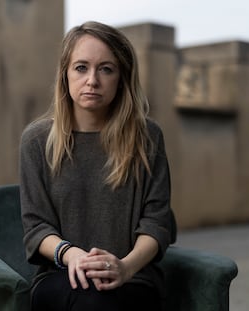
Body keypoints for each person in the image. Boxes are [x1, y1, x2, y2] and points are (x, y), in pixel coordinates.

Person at [19, 20, 173, 311]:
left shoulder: (147, 138)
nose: (92, 80)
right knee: (90, 300)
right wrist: (74, 256)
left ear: (121, 78)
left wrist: (125, 267)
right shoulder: (37, 141)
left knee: (101, 301)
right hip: (60, 276)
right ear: (65, 74)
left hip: (134, 279)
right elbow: (36, 227)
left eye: (106, 68)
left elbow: (157, 223)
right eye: (81, 67)